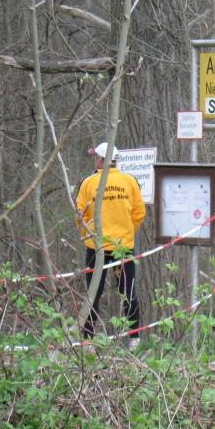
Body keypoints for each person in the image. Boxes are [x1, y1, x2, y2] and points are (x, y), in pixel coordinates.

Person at [76, 142, 145, 349]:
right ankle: (135, 339)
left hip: (95, 247)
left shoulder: (88, 182)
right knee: (128, 291)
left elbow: (80, 216)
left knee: (93, 293)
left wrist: (86, 235)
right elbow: (139, 214)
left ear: (100, 160)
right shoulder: (130, 181)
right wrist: (127, 233)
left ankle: (88, 340)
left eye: (95, 158)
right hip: (123, 246)